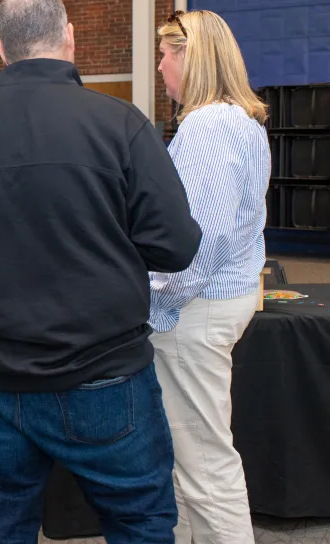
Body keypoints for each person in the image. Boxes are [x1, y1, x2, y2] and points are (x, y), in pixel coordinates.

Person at [0, 0, 203, 541]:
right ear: (70, 38)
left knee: (5, 522)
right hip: (105, 373)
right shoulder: (121, 125)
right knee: (140, 521)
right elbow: (176, 246)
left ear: (1, 51)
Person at [151, 10, 271, 543]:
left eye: (165, 54)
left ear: (190, 57)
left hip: (193, 312)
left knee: (203, 465)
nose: (159, 67)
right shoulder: (240, 120)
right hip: (221, 300)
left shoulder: (208, 126)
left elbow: (202, 239)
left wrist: (159, 300)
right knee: (190, 458)